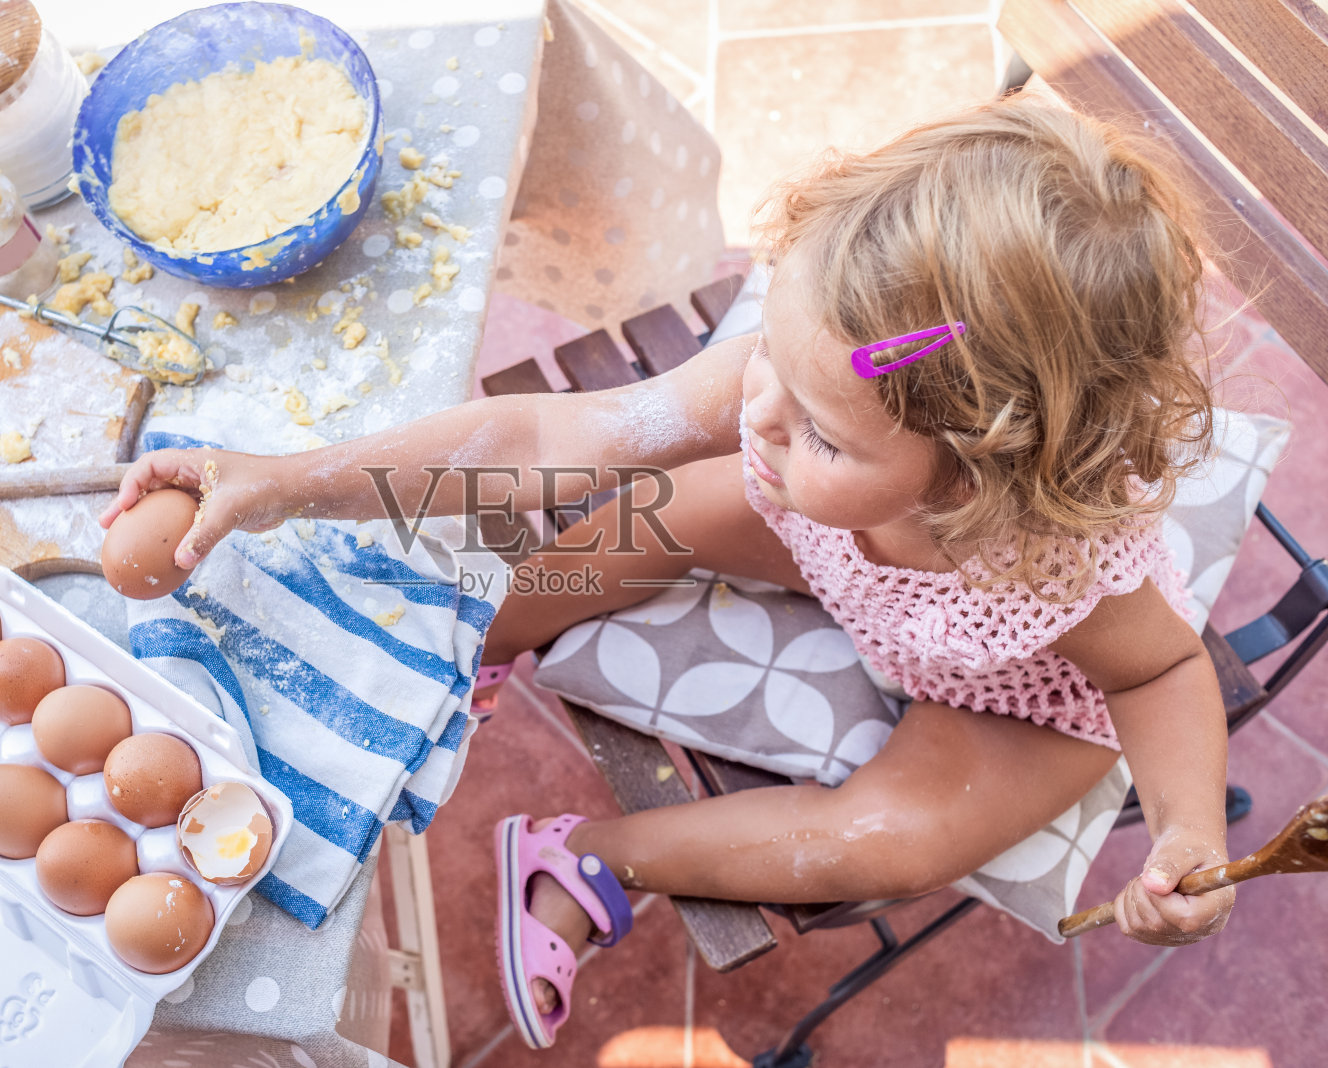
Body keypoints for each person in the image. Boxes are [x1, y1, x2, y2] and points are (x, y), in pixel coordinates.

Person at [102, 93, 1235, 1050]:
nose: (759, 417)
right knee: (626, 523)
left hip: (1009, 687)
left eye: (822, 433)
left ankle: (587, 858)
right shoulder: (799, 412)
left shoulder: (1056, 566)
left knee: (897, 840)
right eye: (772, 368)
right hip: (829, 546)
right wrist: (288, 479)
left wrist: (1188, 827)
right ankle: (478, 653)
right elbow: (545, 443)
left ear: (973, 476)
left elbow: (1158, 677)